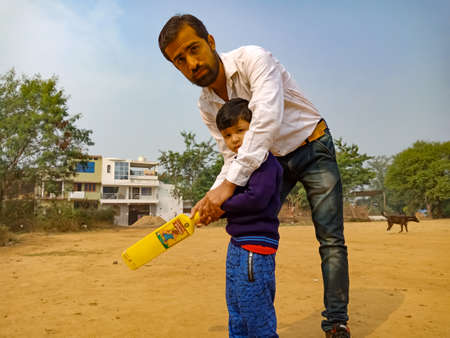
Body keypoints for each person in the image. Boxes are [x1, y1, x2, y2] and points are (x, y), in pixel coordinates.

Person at [159, 14, 350, 338]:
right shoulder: (206, 105)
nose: (191, 63)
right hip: (269, 159)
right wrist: (211, 198)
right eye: (179, 60)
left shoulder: (254, 60)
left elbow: (264, 123)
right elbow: (231, 155)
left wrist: (228, 190)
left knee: (330, 239)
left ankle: (336, 323)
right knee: (251, 230)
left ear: (211, 42)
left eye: (194, 49)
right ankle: (254, 316)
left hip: (311, 144)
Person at [215, 98, 282, 337]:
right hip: (236, 245)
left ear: (256, 129)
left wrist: (222, 207)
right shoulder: (236, 166)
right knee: (236, 309)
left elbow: (256, 199)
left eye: (240, 131)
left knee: (255, 312)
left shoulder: (266, 163)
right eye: (227, 135)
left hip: (256, 248)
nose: (234, 139)